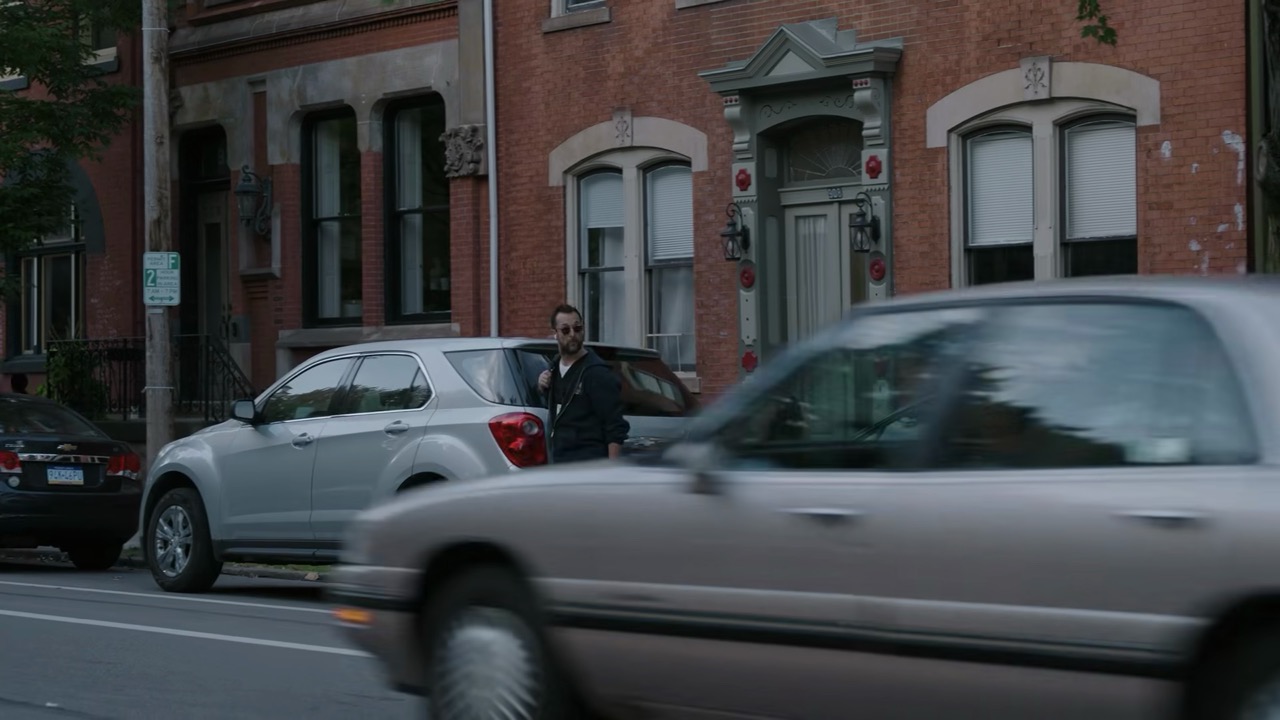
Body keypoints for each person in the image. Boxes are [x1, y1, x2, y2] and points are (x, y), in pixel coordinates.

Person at [537, 303, 629, 463]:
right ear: (555, 334)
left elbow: (615, 426)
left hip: (589, 464)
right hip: (560, 462)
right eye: (566, 330)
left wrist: (612, 470)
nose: (572, 334)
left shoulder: (596, 373)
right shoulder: (554, 367)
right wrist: (541, 385)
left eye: (577, 328)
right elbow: (559, 407)